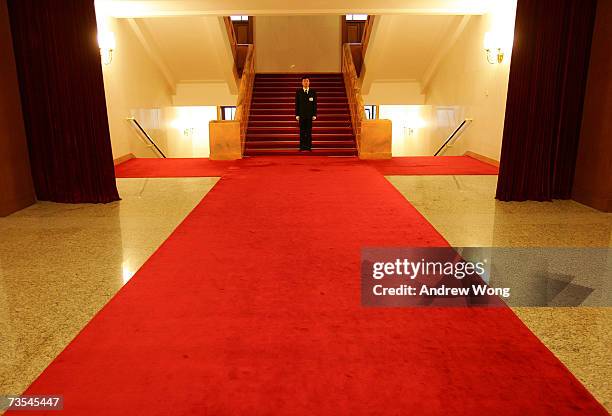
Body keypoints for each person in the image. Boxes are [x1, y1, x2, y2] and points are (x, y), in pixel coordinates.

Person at [294, 76, 317, 151]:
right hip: (301, 115)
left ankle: (309, 147)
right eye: (304, 81)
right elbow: (297, 104)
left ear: (309, 82)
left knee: (309, 132)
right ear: (302, 83)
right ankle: (302, 147)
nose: (306, 82)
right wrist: (297, 114)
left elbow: (314, 104)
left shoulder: (313, 92)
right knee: (302, 132)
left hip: (310, 115)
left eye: (307, 81)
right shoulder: (298, 92)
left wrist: (314, 114)